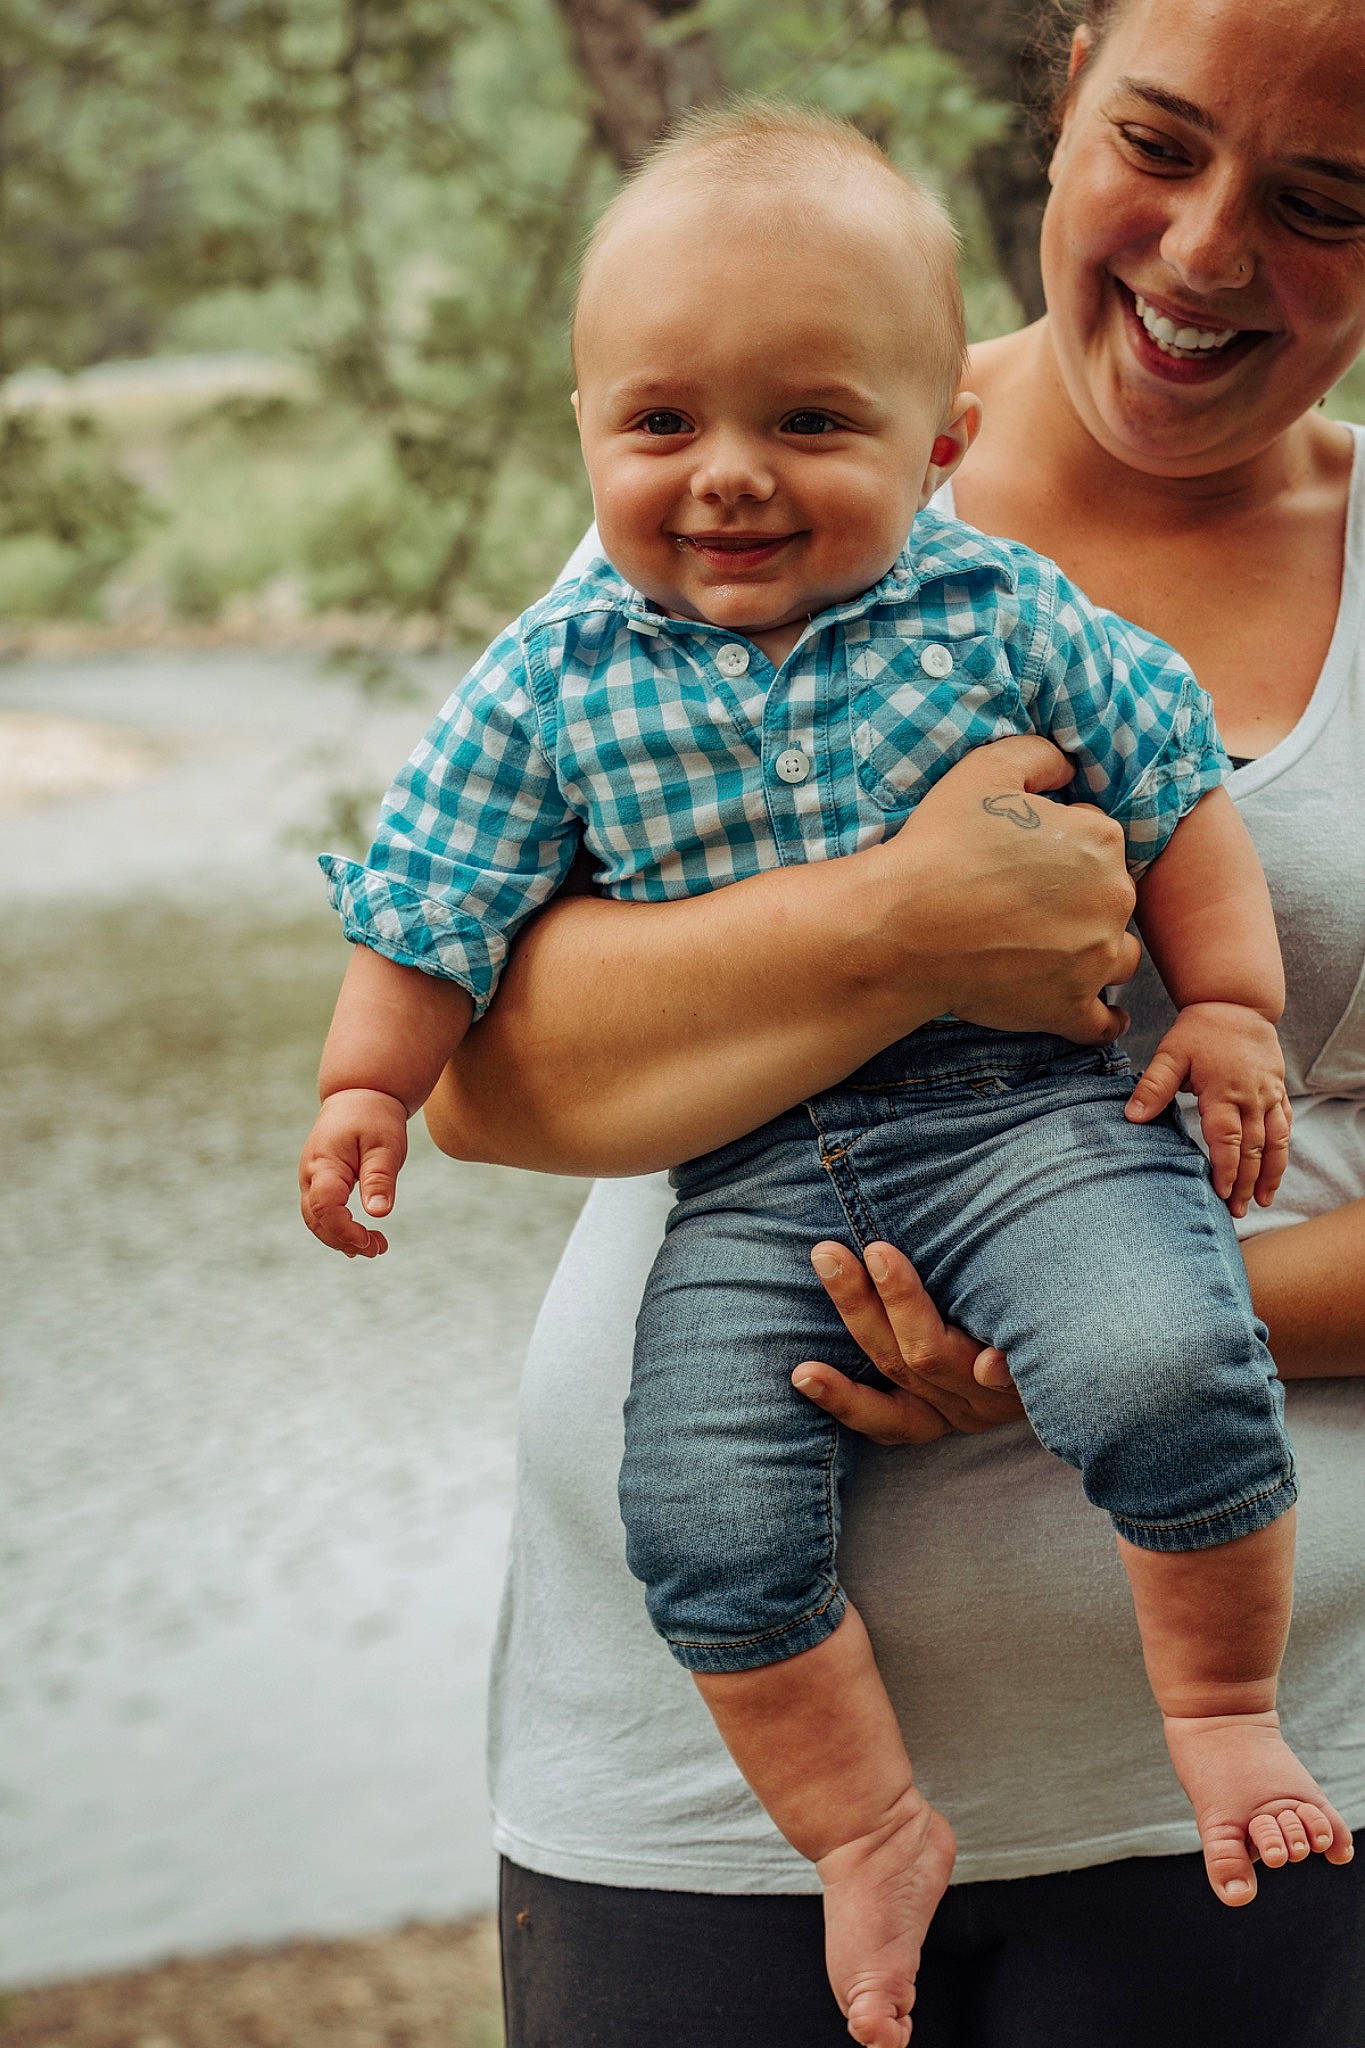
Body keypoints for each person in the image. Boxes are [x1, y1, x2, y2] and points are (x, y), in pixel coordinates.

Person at [298, 98, 1349, 2043]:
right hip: (753, 1216)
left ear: (934, 442)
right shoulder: (571, 658)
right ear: (590, 425)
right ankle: (861, 1822)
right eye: (661, 424)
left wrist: (1212, 1005)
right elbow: (436, 896)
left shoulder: (999, 610)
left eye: (804, 426)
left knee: (1149, 1359)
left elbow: (1171, 784)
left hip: (1029, 1131)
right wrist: (368, 1085)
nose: (725, 478)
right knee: (695, 1502)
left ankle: (1216, 1706)